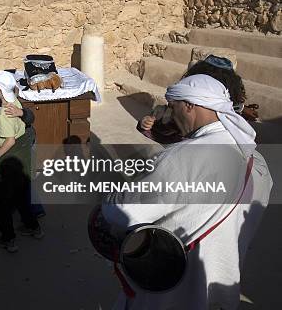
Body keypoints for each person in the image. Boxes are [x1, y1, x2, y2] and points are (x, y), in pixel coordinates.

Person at [102, 74, 273, 309]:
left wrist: (111, 198)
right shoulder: (259, 164)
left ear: (190, 105)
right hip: (222, 286)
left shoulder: (183, 157)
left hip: (173, 290)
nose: (170, 115)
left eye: (173, 107)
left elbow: (122, 212)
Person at [0, 73, 44, 216]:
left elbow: (31, 118)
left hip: (24, 142)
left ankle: (36, 211)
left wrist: (21, 113)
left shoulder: (10, 101)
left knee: (27, 178)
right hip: (11, 145)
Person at [0, 71, 43, 252]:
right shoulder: (15, 103)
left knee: (3, 203)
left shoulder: (5, 113)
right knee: (21, 197)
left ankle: (8, 239)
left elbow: (9, 140)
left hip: (10, 160)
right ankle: (33, 227)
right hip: (23, 158)